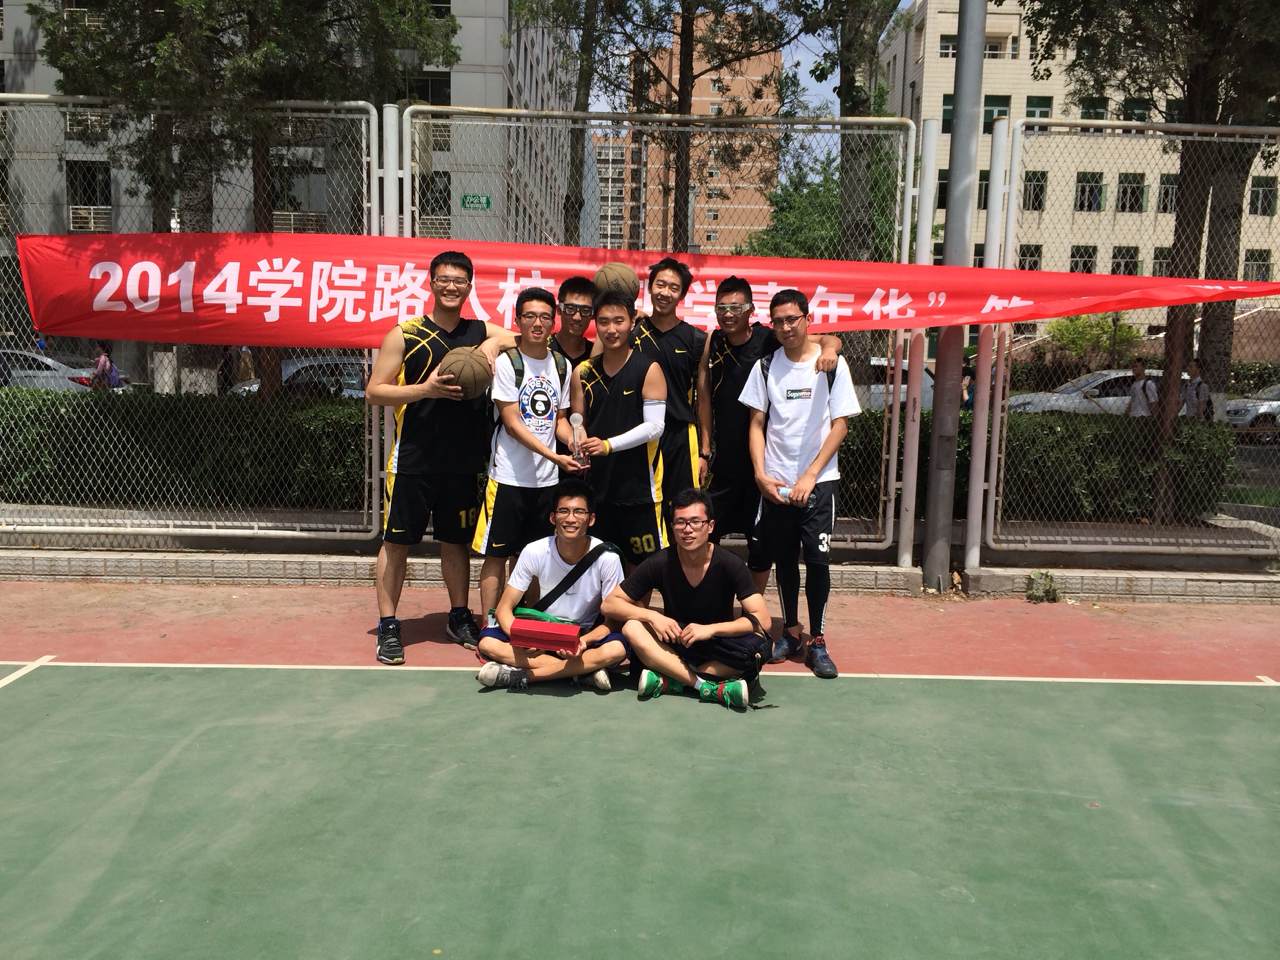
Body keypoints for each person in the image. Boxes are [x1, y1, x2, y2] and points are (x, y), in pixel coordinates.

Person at [365, 250, 517, 666]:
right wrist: (425, 390)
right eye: (444, 279)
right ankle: (389, 624)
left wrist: (493, 343)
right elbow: (375, 391)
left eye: (459, 281)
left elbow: (524, 337)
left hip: (464, 460)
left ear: (469, 286)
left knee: (456, 542)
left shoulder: (479, 329)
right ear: (431, 283)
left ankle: (458, 615)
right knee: (397, 543)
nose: (451, 287)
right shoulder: (406, 333)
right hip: (414, 459)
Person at [695, 275, 841, 596]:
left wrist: (830, 350)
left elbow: (826, 340)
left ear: (750, 310)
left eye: (736, 308)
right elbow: (703, 397)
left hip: (764, 465)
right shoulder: (713, 342)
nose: (728, 314)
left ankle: (753, 608)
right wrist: (704, 450)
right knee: (705, 532)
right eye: (722, 308)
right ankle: (707, 603)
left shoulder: (768, 339)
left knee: (761, 546)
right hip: (723, 461)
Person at [742, 289, 859, 680]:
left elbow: (840, 425)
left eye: (792, 319)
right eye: (778, 321)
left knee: (818, 562)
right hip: (777, 484)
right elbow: (756, 423)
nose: (786, 327)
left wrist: (810, 474)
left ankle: (818, 640)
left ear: (808, 319)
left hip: (819, 484)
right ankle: (791, 633)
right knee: (785, 560)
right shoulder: (765, 367)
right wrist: (760, 474)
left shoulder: (831, 364)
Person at [601, 489, 772, 710]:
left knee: (760, 643)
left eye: (695, 522)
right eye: (680, 523)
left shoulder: (730, 564)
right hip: (676, 642)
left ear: (710, 526)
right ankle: (703, 685)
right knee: (632, 626)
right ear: (672, 528)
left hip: (718, 646)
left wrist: (710, 630)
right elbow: (609, 604)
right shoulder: (660, 561)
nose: (687, 529)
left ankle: (672, 680)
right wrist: (652, 616)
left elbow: (763, 621)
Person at [473, 286, 581, 619]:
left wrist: (574, 442)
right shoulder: (508, 363)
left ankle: (526, 621)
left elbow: (559, 420)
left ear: (554, 321)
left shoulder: (561, 365)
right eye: (530, 316)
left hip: (546, 482)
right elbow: (511, 423)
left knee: (533, 557)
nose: (538, 323)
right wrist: (553, 456)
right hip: (508, 476)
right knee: (496, 556)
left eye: (545, 317)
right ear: (518, 320)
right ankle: (490, 622)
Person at [475, 480, 628, 692]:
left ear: (591, 519)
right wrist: (524, 638)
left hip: (583, 634)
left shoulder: (608, 558)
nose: (571, 519)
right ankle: (582, 671)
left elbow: (612, 621)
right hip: (542, 631)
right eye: (563, 511)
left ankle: (525, 676)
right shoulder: (534, 551)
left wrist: (582, 642)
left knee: (617, 649)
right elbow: (504, 609)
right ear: (553, 518)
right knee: (487, 644)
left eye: (579, 512)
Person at [570, 289, 668, 569]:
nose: (611, 329)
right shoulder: (583, 372)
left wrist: (608, 445)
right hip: (597, 488)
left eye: (618, 321)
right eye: (603, 322)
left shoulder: (649, 369)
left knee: (643, 568)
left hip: (639, 490)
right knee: (599, 565)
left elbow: (655, 427)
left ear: (632, 321)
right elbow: (577, 421)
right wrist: (578, 441)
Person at [634, 257, 707, 509]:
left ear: (682, 295)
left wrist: (704, 452)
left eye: (674, 288)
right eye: (660, 285)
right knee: (644, 507)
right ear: (649, 287)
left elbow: (703, 398)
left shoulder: (696, 339)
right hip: (638, 433)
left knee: (684, 509)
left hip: (680, 436)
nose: (665, 293)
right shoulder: (633, 332)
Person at [551, 276, 597, 367]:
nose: (577, 317)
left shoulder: (596, 355)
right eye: (571, 309)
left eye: (585, 310)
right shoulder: (544, 349)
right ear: (559, 310)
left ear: (592, 315)